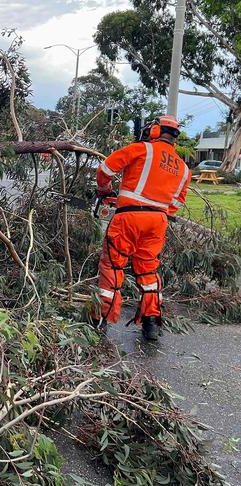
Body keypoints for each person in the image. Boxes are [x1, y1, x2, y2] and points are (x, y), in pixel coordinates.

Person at [92, 115, 190, 340]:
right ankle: (151, 323)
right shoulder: (183, 169)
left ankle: (100, 321)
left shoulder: (140, 149)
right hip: (158, 222)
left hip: (129, 218)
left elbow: (105, 170)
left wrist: (105, 191)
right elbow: (175, 204)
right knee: (147, 269)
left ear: (155, 130)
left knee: (113, 266)